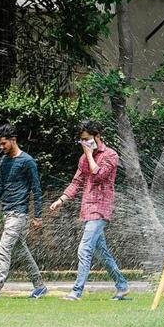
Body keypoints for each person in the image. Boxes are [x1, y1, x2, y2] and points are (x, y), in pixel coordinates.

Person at [50, 119, 129, 301]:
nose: (84, 143)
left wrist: (90, 155)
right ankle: (122, 286)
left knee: (84, 248)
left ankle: (76, 292)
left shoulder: (111, 155)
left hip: (100, 209)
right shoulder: (83, 159)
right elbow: (76, 182)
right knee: (102, 252)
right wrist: (61, 200)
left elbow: (99, 174)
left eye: (86, 139)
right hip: (87, 208)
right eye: (82, 140)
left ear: (97, 136)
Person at [0, 124, 47, 299]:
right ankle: (40, 286)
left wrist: (38, 216)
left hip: (19, 214)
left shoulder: (28, 161)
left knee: (3, 249)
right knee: (20, 250)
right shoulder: (4, 161)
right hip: (7, 213)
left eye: (3, 144)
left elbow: (36, 190)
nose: (1, 147)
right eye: (0, 144)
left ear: (13, 140)